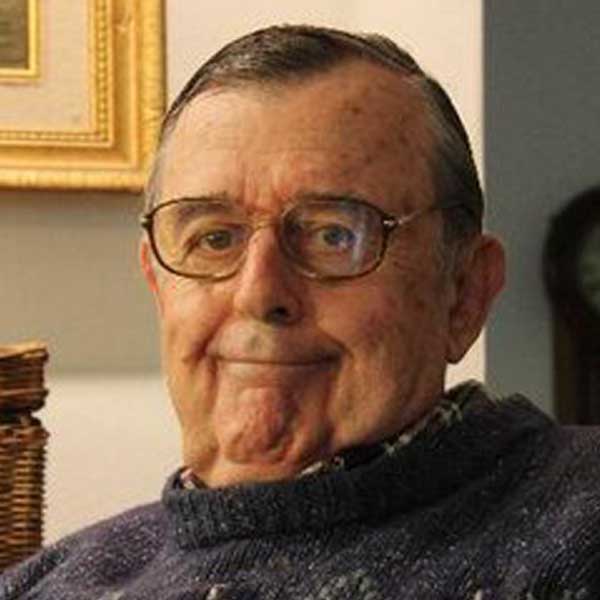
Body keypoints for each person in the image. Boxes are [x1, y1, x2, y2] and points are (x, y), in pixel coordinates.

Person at [1, 24, 599, 600]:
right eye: (214, 238)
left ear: (464, 293)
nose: (259, 293)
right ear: (159, 287)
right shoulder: (44, 582)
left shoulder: (577, 522)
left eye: (333, 235)